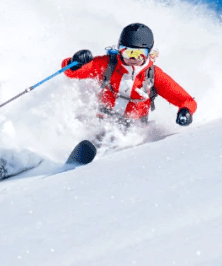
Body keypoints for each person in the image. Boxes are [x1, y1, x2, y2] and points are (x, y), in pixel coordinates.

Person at [60, 22, 197, 164]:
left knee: (115, 139)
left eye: (139, 54)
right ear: (119, 49)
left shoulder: (153, 75)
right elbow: (71, 72)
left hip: (133, 127)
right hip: (102, 119)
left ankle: (110, 163)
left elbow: (185, 99)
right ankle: (70, 160)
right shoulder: (108, 64)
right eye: (128, 52)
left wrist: (186, 111)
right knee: (98, 135)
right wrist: (75, 62)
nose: (133, 58)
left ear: (148, 53)